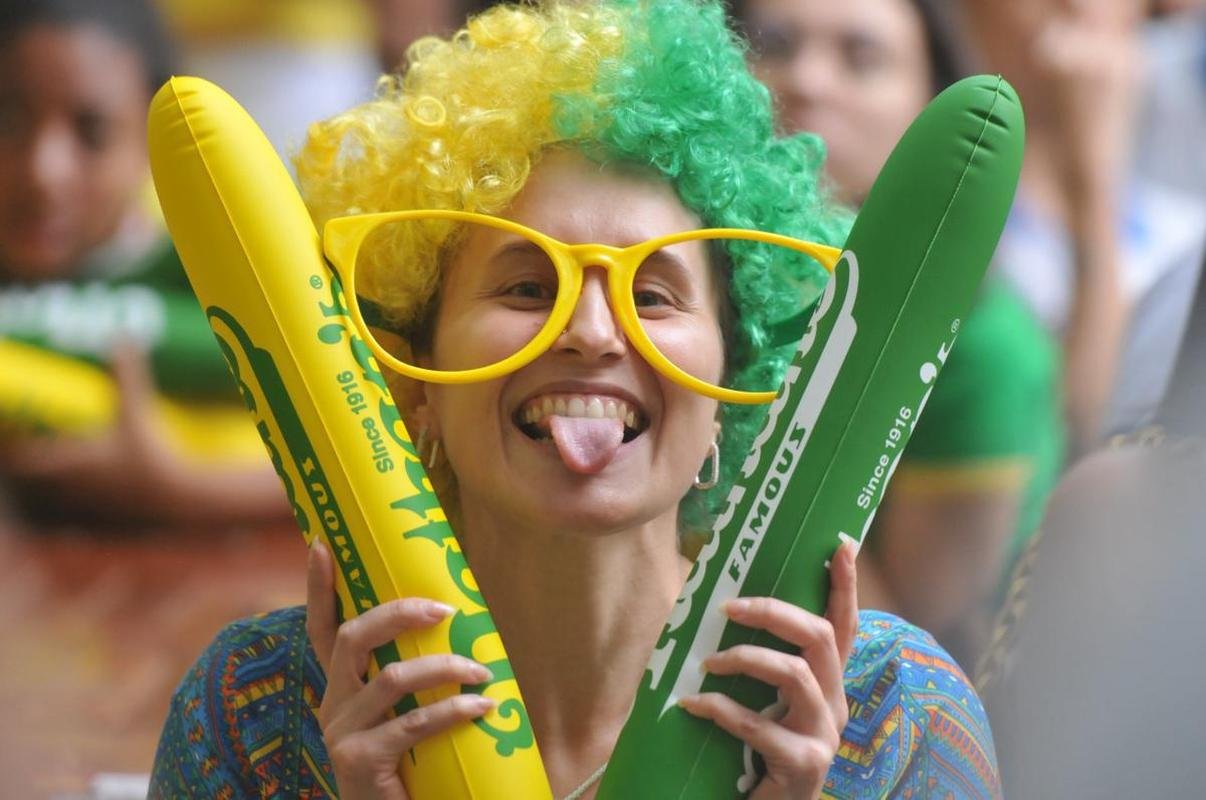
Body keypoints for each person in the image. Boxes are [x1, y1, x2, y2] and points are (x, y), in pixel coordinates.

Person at [149, 2, 1001, 797]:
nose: (592, 332)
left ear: (735, 391)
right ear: (416, 384)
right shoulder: (253, 711)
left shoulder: (895, 717)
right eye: (524, 287)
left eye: (657, 296)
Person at [732, 0, 1064, 665]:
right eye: (775, 43)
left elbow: (899, 642)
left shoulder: (984, 349)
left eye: (862, 58)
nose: (807, 81)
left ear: (935, 106)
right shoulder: (700, 281)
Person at [0, 0, 291, 526]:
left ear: (150, 145)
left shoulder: (212, 275)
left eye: (92, 132)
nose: (43, 169)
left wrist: (179, 488)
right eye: (8, 119)